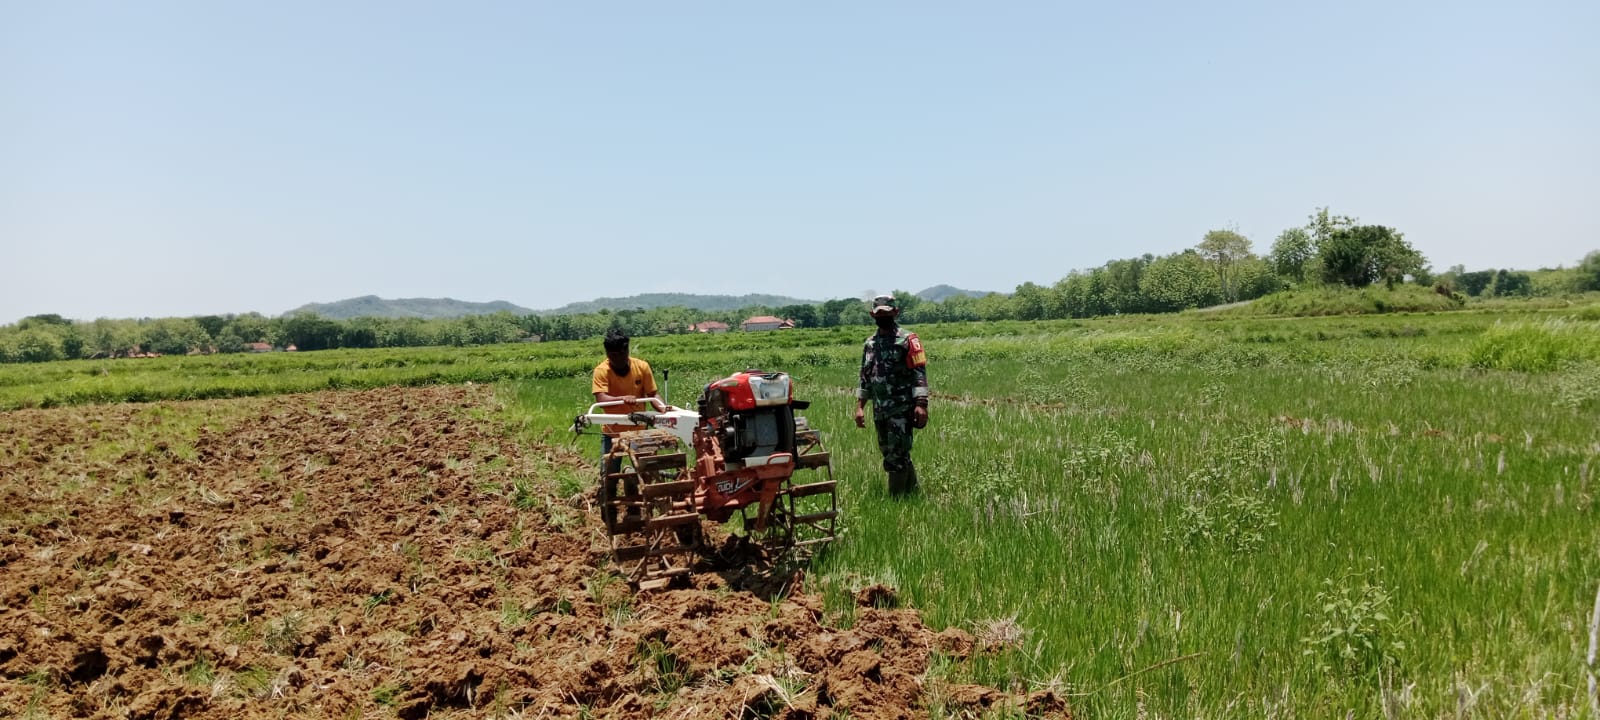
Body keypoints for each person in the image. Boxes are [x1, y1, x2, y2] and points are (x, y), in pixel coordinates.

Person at [854, 293, 929, 495]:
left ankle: (895, 500)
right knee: (891, 453)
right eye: (878, 313)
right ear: (872, 314)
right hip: (880, 410)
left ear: (895, 312)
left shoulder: (908, 340)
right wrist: (860, 407)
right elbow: (865, 377)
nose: (882, 316)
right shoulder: (869, 344)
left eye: (886, 312)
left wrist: (921, 404)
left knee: (895, 457)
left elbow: (919, 373)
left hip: (902, 409)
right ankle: (912, 493)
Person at [591, 328, 658, 473]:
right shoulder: (602, 371)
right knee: (608, 475)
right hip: (613, 431)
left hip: (639, 430)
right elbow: (601, 398)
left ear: (627, 350)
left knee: (648, 471)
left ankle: (634, 480)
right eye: (613, 355)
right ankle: (610, 491)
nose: (618, 359)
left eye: (622, 354)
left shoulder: (642, 367)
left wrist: (664, 409)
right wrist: (623, 399)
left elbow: (653, 394)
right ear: (607, 354)